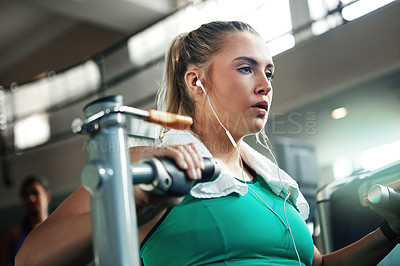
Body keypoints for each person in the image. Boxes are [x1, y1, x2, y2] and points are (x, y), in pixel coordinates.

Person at [16, 21, 400, 265]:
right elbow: (31, 259)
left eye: (268, 71)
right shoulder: (151, 166)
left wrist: (391, 230)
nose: (265, 84)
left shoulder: (277, 185)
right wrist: (134, 200)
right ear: (196, 81)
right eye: (246, 68)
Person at [0, 175, 51, 266]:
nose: (31, 198)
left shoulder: (59, 227)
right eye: (26, 195)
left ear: (47, 197)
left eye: (35, 193)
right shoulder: (12, 234)